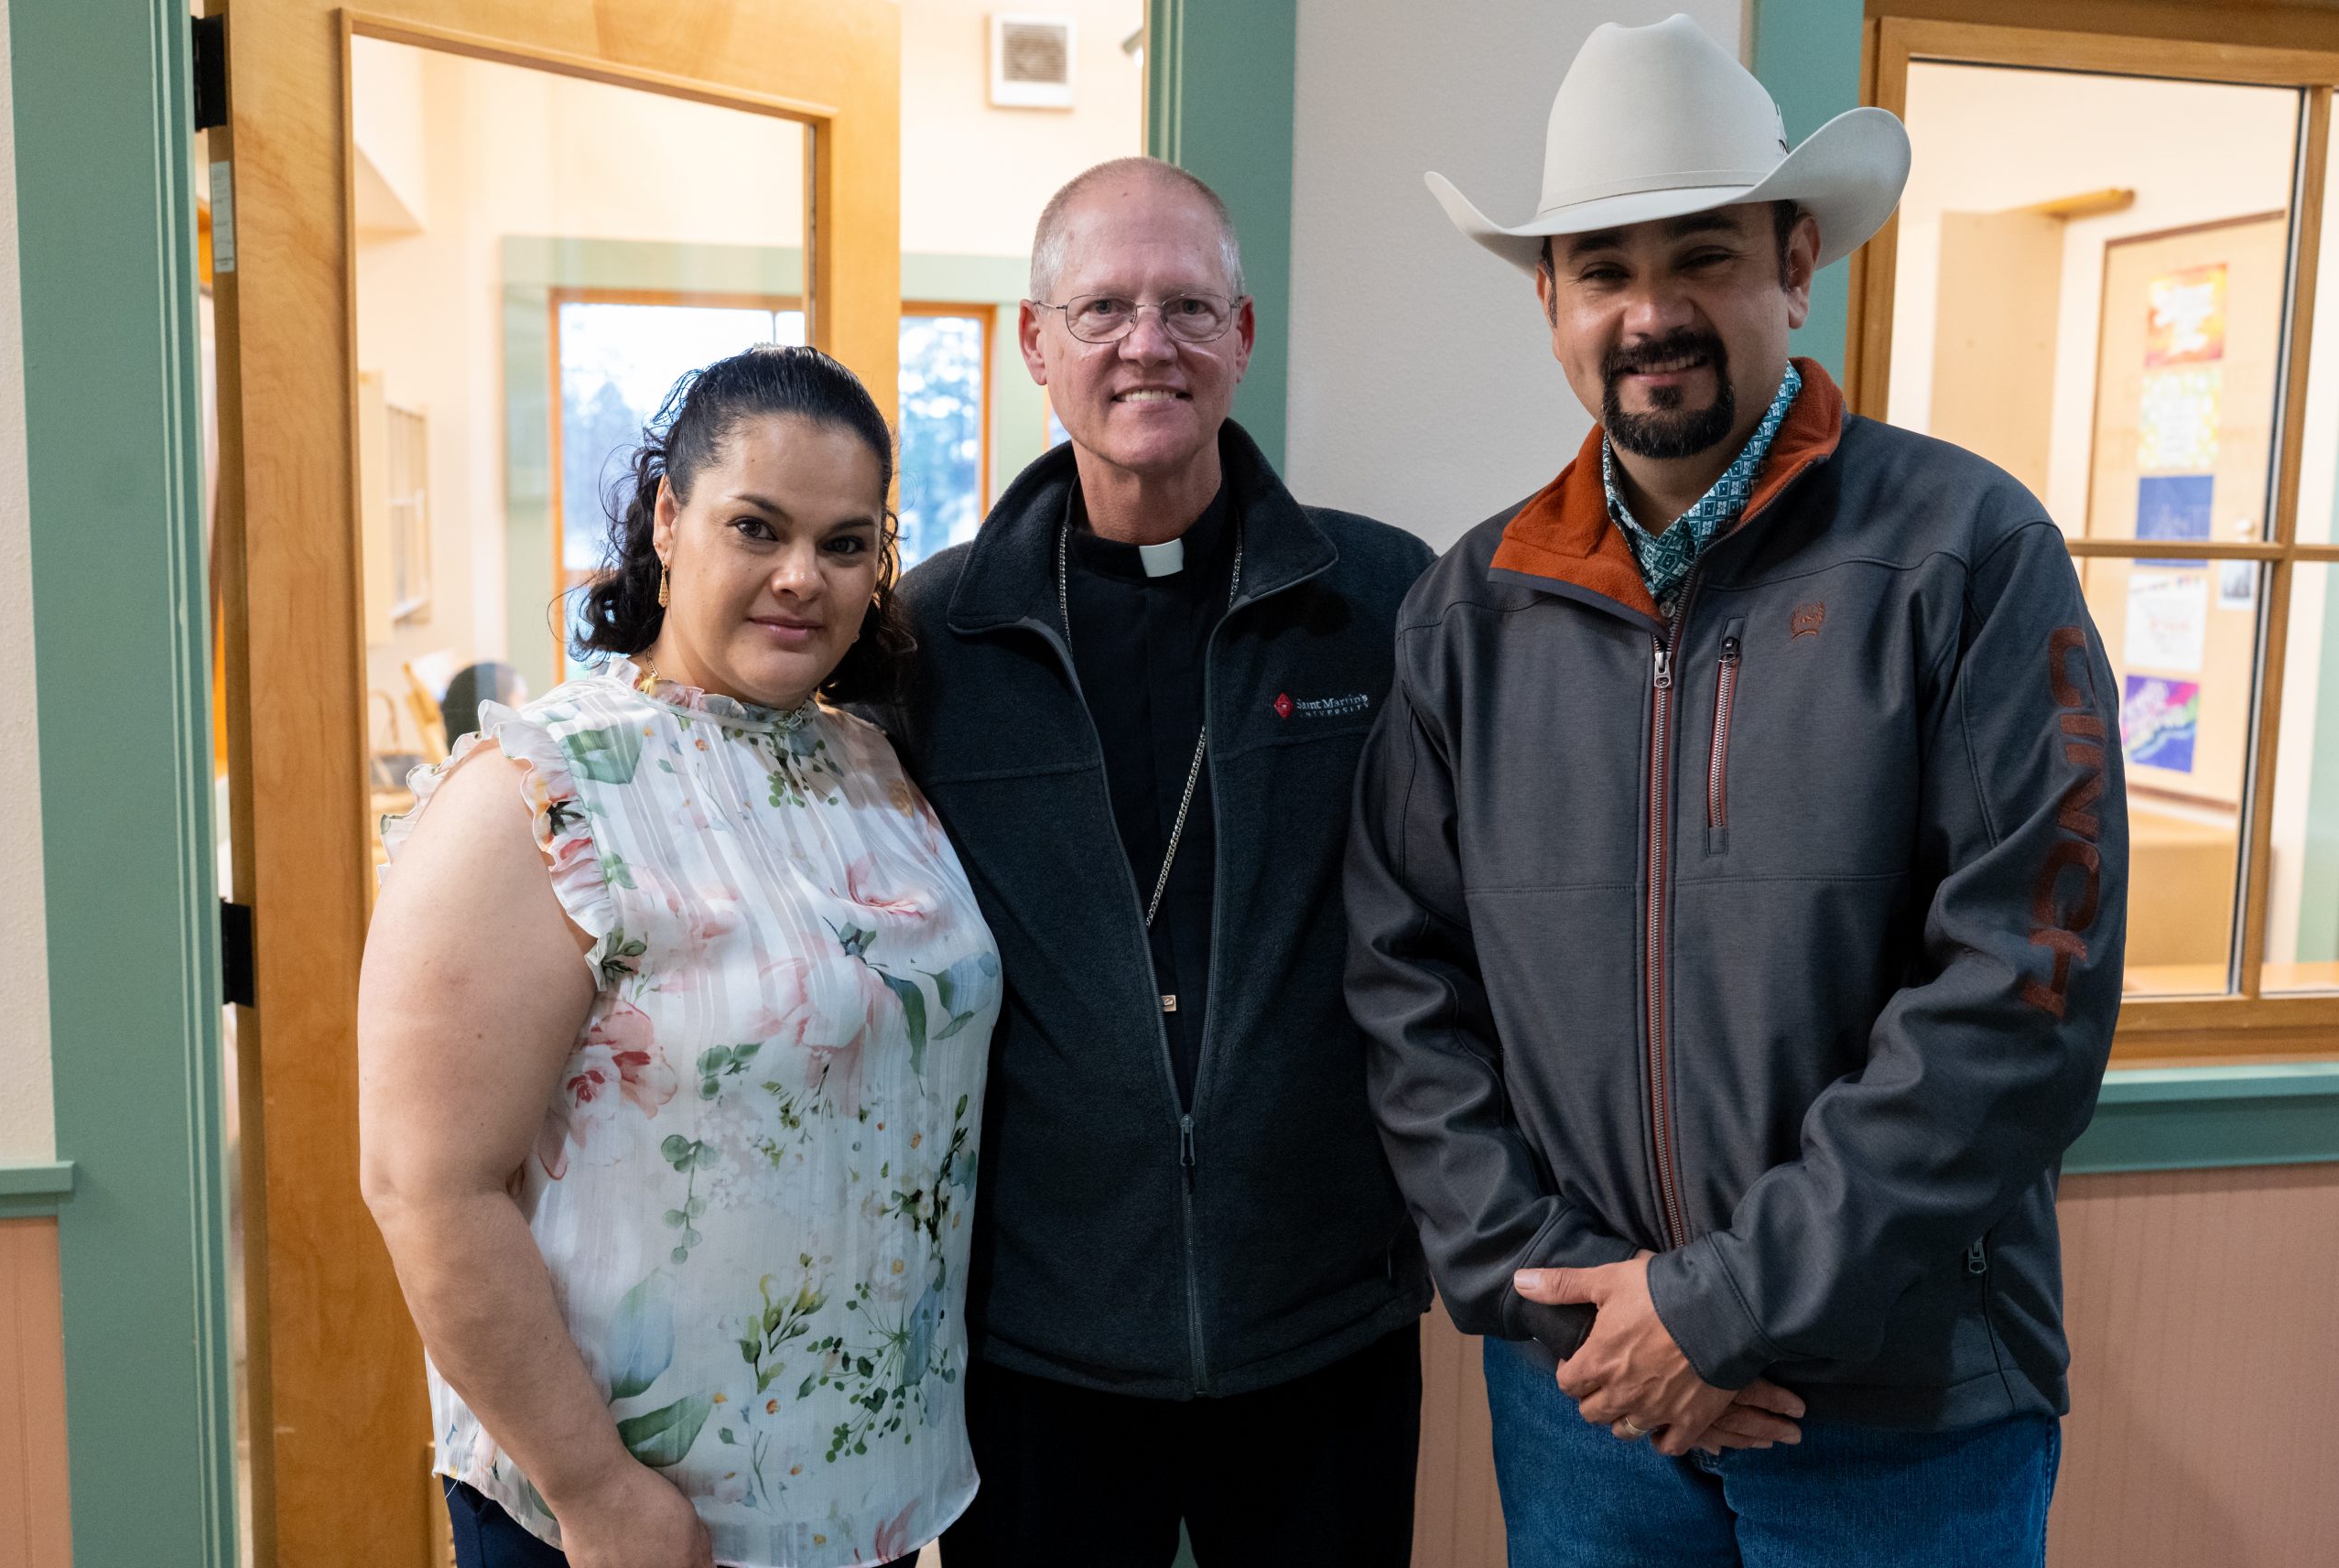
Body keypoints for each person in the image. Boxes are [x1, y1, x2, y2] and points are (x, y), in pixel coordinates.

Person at [1347, 16, 2125, 1567]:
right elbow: (1403, 992)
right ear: (1551, 302)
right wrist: (1574, 1303)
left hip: (1903, 1418)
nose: (1651, 312)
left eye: (1698, 256)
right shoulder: (1466, 614)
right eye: (1603, 270)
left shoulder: (1966, 556)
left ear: (1793, 263)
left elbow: (2024, 989)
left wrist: (1721, 1303)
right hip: (1586, 1409)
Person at [872, 157, 1435, 1565]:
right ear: (1034, 343)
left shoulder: (1385, 604)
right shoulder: (928, 642)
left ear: (1242, 337)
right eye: (1104, 306)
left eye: (1188, 305)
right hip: (1038, 1344)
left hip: (1323, 1326)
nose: (1147, 343)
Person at [359, 346, 999, 1568]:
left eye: (847, 542)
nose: (801, 577)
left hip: (865, 1506)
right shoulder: (537, 792)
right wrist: (596, 1489)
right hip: (631, 1524)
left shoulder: (873, 765)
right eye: (756, 526)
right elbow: (425, 1182)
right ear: (666, 516)